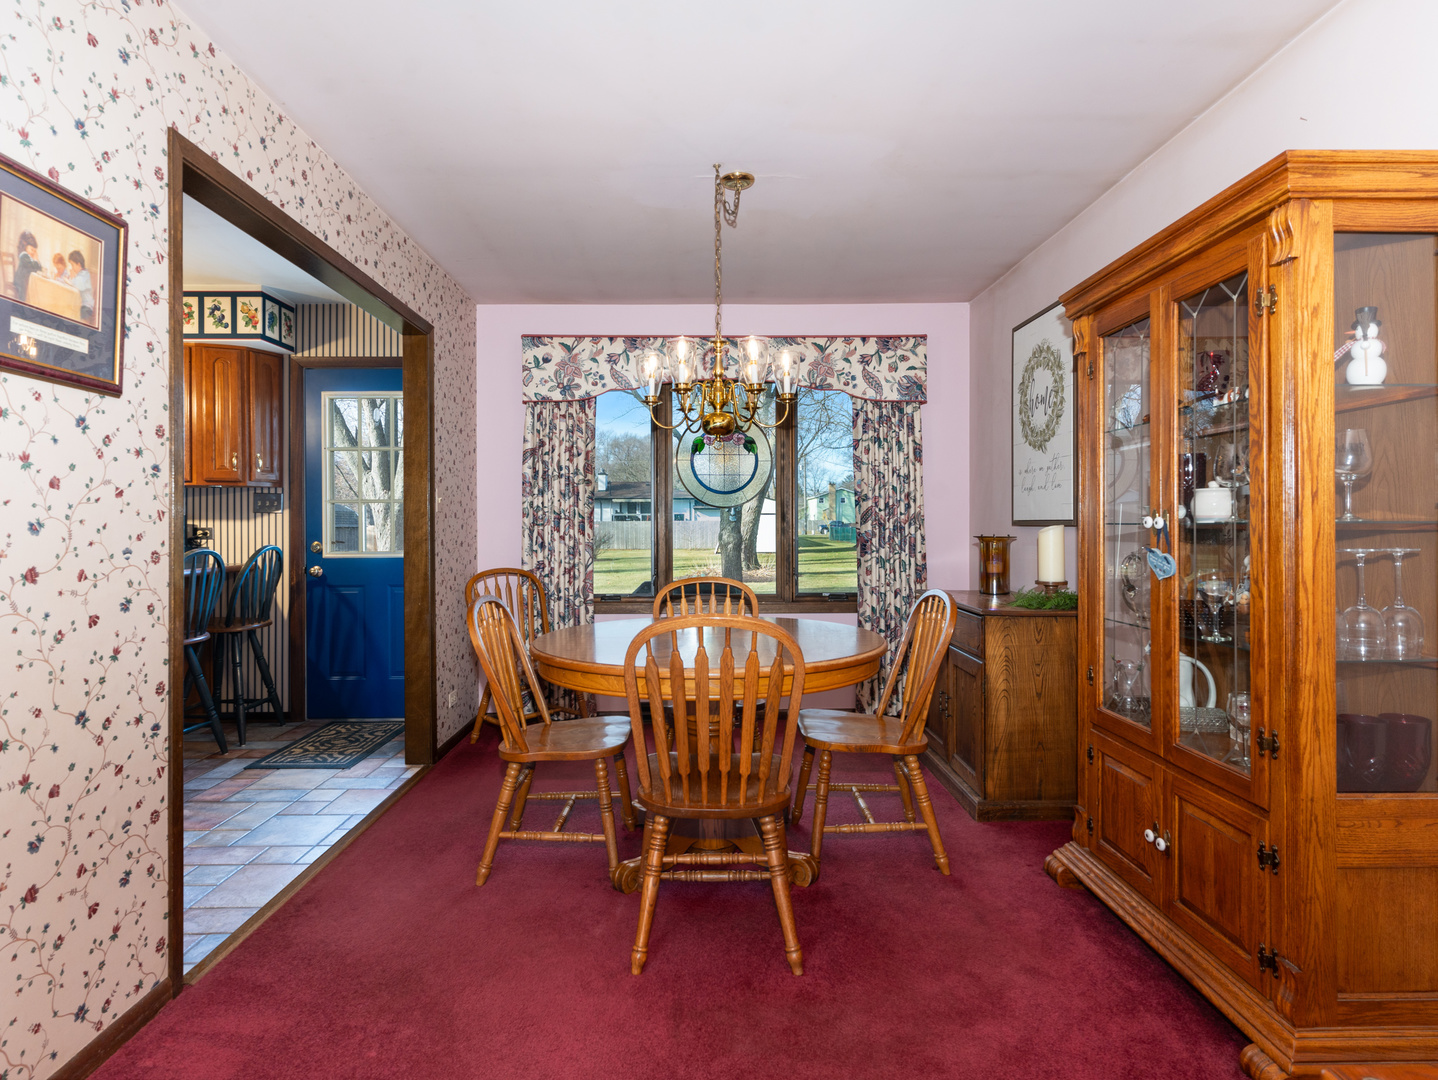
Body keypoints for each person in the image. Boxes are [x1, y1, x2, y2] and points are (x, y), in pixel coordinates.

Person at [14, 230, 41, 302]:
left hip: (25, 280)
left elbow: (39, 269)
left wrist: (36, 259)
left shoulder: (29, 257)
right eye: (32, 249)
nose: (33, 252)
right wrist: (35, 259)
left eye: (35, 250)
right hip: (20, 280)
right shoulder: (23, 255)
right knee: (24, 293)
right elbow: (33, 267)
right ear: (25, 247)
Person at [67, 250, 93, 323]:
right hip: (80, 304)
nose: (71, 267)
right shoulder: (80, 275)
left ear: (78, 264)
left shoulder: (84, 274)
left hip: (86, 307)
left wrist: (72, 278)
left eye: (72, 265)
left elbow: (75, 287)